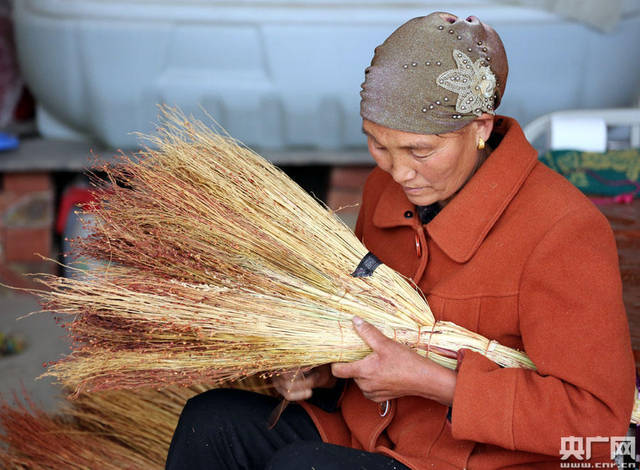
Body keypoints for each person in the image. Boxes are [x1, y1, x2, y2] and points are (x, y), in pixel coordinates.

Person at [165, 11, 636, 469]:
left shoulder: (563, 229)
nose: (398, 170)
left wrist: (435, 382)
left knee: (302, 465)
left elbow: (597, 424)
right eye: (378, 144)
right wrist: (322, 369)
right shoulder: (383, 189)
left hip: (475, 460)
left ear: (480, 129)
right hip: (369, 433)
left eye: (420, 150)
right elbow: (365, 324)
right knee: (210, 424)